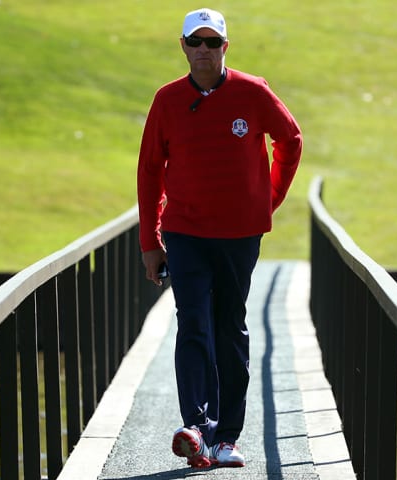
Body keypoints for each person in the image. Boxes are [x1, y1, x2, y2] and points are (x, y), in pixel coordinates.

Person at [136, 7, 302, 469]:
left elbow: (290, 141)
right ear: (184, 46)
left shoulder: (253, 92)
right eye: (196, 42)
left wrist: (268, 197)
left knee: (229, 325)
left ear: (225, 47)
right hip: (185, 231)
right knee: (193, 321)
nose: (204, 50)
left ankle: (226, 437)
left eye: (213, 43)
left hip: (239, 233)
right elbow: (149, 171)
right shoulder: (167, 100)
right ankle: (196, 426)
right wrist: (150, 241)